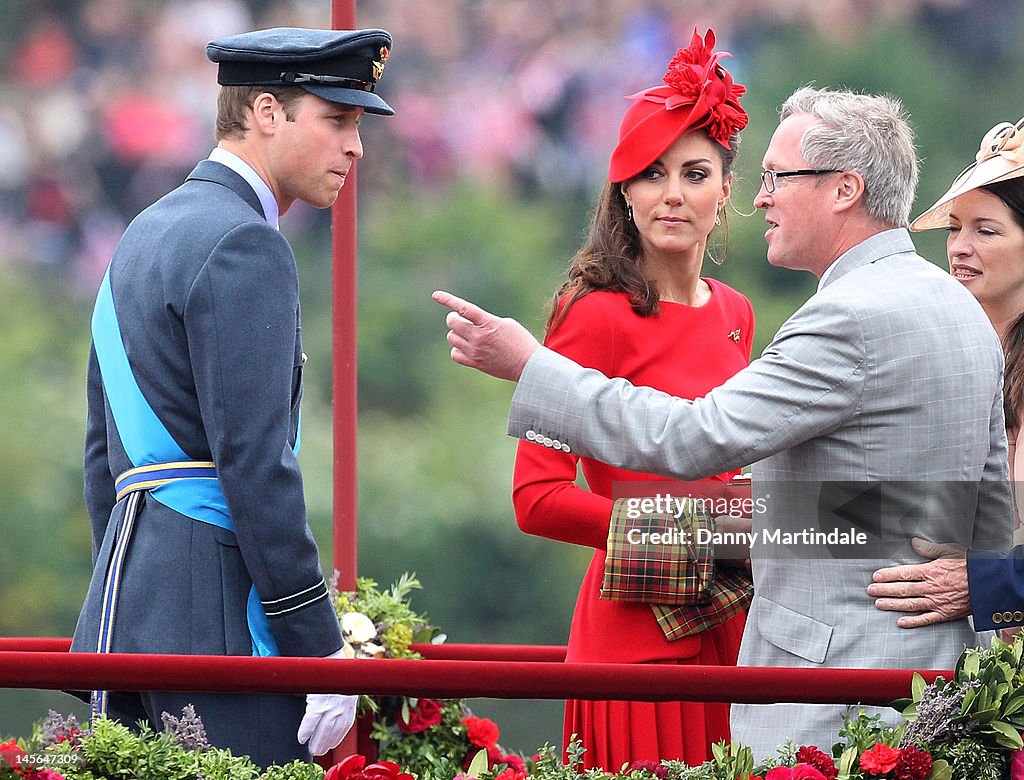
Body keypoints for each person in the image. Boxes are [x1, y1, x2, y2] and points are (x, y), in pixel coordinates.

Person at [433, 86, 1014, 758]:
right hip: (939, 690)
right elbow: (979, 503)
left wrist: (529, 368)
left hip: (834, 695)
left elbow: (690, 438)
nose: (761, 197)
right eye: (652, 173)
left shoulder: (838, 317)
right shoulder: (963, 307)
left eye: (774, 177)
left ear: (844, 189)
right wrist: (987, 597)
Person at [69, 26, 395, 767]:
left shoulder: (143, 233)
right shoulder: (246, 241)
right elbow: (255, 463)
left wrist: (138, 585)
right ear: (268, 113)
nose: (356, 147)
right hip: (219, 619)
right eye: (338, 120)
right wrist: (317, 648)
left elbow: (102, 461)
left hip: (127, 604)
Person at [511, 29, 753, 769]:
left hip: (737, 630)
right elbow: (537, 498)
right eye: (650, 175)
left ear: (726, 189)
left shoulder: (737, 313)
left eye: (694, 172)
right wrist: (686, 537)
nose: (672, 193)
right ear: (623, 190)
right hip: (637, 641)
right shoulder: (593, 313)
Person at [869, 116, 1024, 633]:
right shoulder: (935, 349)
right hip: (947, 652)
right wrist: (781, 523)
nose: (958, 246)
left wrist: (987, 584)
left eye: (986, 230)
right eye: (955, 227)